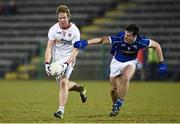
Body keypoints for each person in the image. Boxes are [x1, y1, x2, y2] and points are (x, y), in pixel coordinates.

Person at [73, 24, 167, 117]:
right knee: (114, 90)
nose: (125, 36)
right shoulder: (119, 38)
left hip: (130, 62)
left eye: (128, 35)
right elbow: (101, 40)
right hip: (116, 62)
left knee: (126, 78)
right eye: (125, 34)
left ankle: (118, 105)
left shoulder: (141, 41)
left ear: (135, 36)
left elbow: (157, 45)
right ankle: (114, 105)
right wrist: (86, 42)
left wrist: (161, 62)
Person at [44, 5, 87, 119]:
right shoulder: (53, 30)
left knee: (63, 83)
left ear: (69, 17)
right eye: (60, 18)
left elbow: (75, 50)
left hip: (69, 59)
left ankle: (60, 111)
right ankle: (81, 89)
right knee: (64, 85)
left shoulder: (74, 31)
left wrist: (66, 64)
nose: (62, 20)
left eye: (64, 17)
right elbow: (49, 48)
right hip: (57, 60)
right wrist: (47, 64)